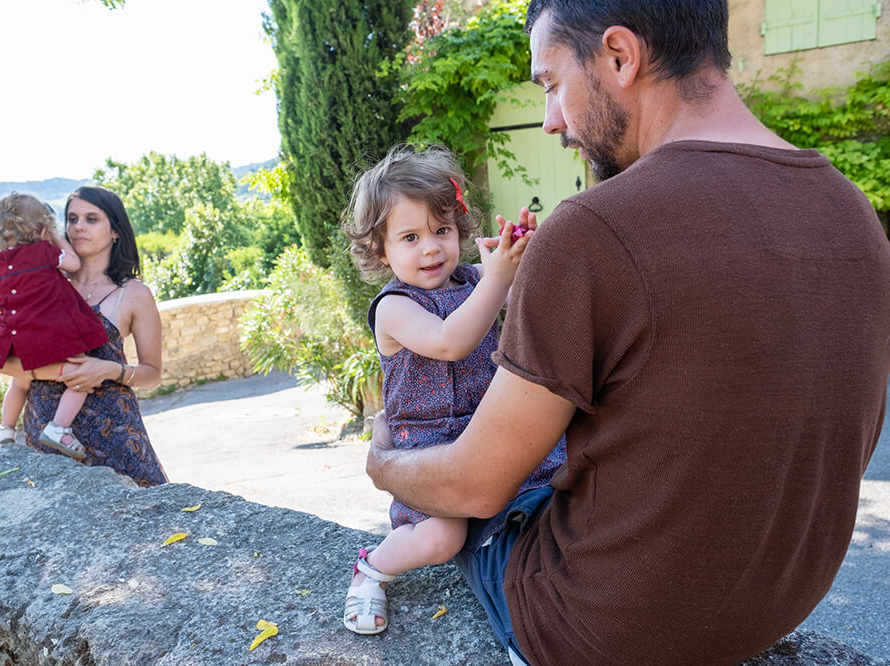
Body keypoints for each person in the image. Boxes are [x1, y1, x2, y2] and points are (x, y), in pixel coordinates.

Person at [365, 1, 890, 664]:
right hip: (771, 612)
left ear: (619, 56)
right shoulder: (857, 219)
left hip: (596, 631)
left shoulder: (593, 231)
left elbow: (475, 485)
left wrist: (384, 464)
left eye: (552, 84)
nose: (551, 118)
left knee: (474, 509)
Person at [340, 145, 567, 635]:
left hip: (488, 428)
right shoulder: (394, 308)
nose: (430, 248)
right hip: (432, 448)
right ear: (381, 250)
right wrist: (499, 276)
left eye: (441, 231)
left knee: (558, 483)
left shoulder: (470, 278)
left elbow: (520, 291)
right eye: (409, 237)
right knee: (442, 537)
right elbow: (450, 342)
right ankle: (371, 569)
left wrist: (519, 249)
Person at [0, 186, 168, 487]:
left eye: (91, 219)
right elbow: (1, 363)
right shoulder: (39, 279)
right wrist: (62, 372)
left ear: (115, 231)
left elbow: (152, 374)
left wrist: (113, 370)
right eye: (72, 219)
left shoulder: (134, 294)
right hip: (48, 439)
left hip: (115, 437)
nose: (78, 227)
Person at [0, 193, 109, 459]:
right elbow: (74, 264)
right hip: (47, 337)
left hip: (13, 339)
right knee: (80, 377)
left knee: (18, 382)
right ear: (43, 230)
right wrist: (54, 237)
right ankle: (59, 428)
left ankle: (5, 429)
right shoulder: (45, 252)